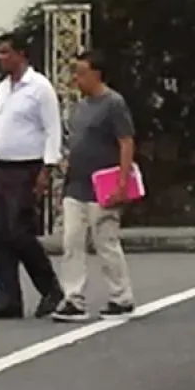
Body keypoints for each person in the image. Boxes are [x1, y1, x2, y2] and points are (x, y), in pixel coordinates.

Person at [0, 35, 65, 320]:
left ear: (21, 54)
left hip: (27, 167)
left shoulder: (39, 87)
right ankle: (8, 299)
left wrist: (47, 169)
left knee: (20, 231)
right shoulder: (3, 88)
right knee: (1, 236)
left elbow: (52, 130)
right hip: (2, 166)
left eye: (6, 52)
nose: (0, 58)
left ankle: (51, 289)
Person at [52, 50, 137, 322]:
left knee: (105, 241)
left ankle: (121, 296)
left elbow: (126, 142)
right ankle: (73, 297)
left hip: (103, 184)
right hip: (76, 182)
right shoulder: (79, 107)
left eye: (81, 73)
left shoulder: (114, 103)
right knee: (72, 241)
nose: (76, 79)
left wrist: (122, 182)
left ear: (97, 74)